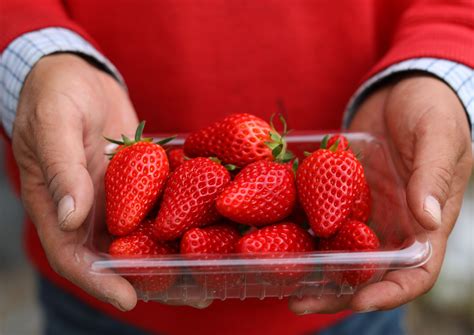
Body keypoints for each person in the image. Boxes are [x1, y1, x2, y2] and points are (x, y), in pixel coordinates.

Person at [0, 1, 472, 334]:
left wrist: (439, 70)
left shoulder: (296, 196)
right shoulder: (209, 186)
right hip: (101, 295)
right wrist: (37, 59)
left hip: (348, 305)